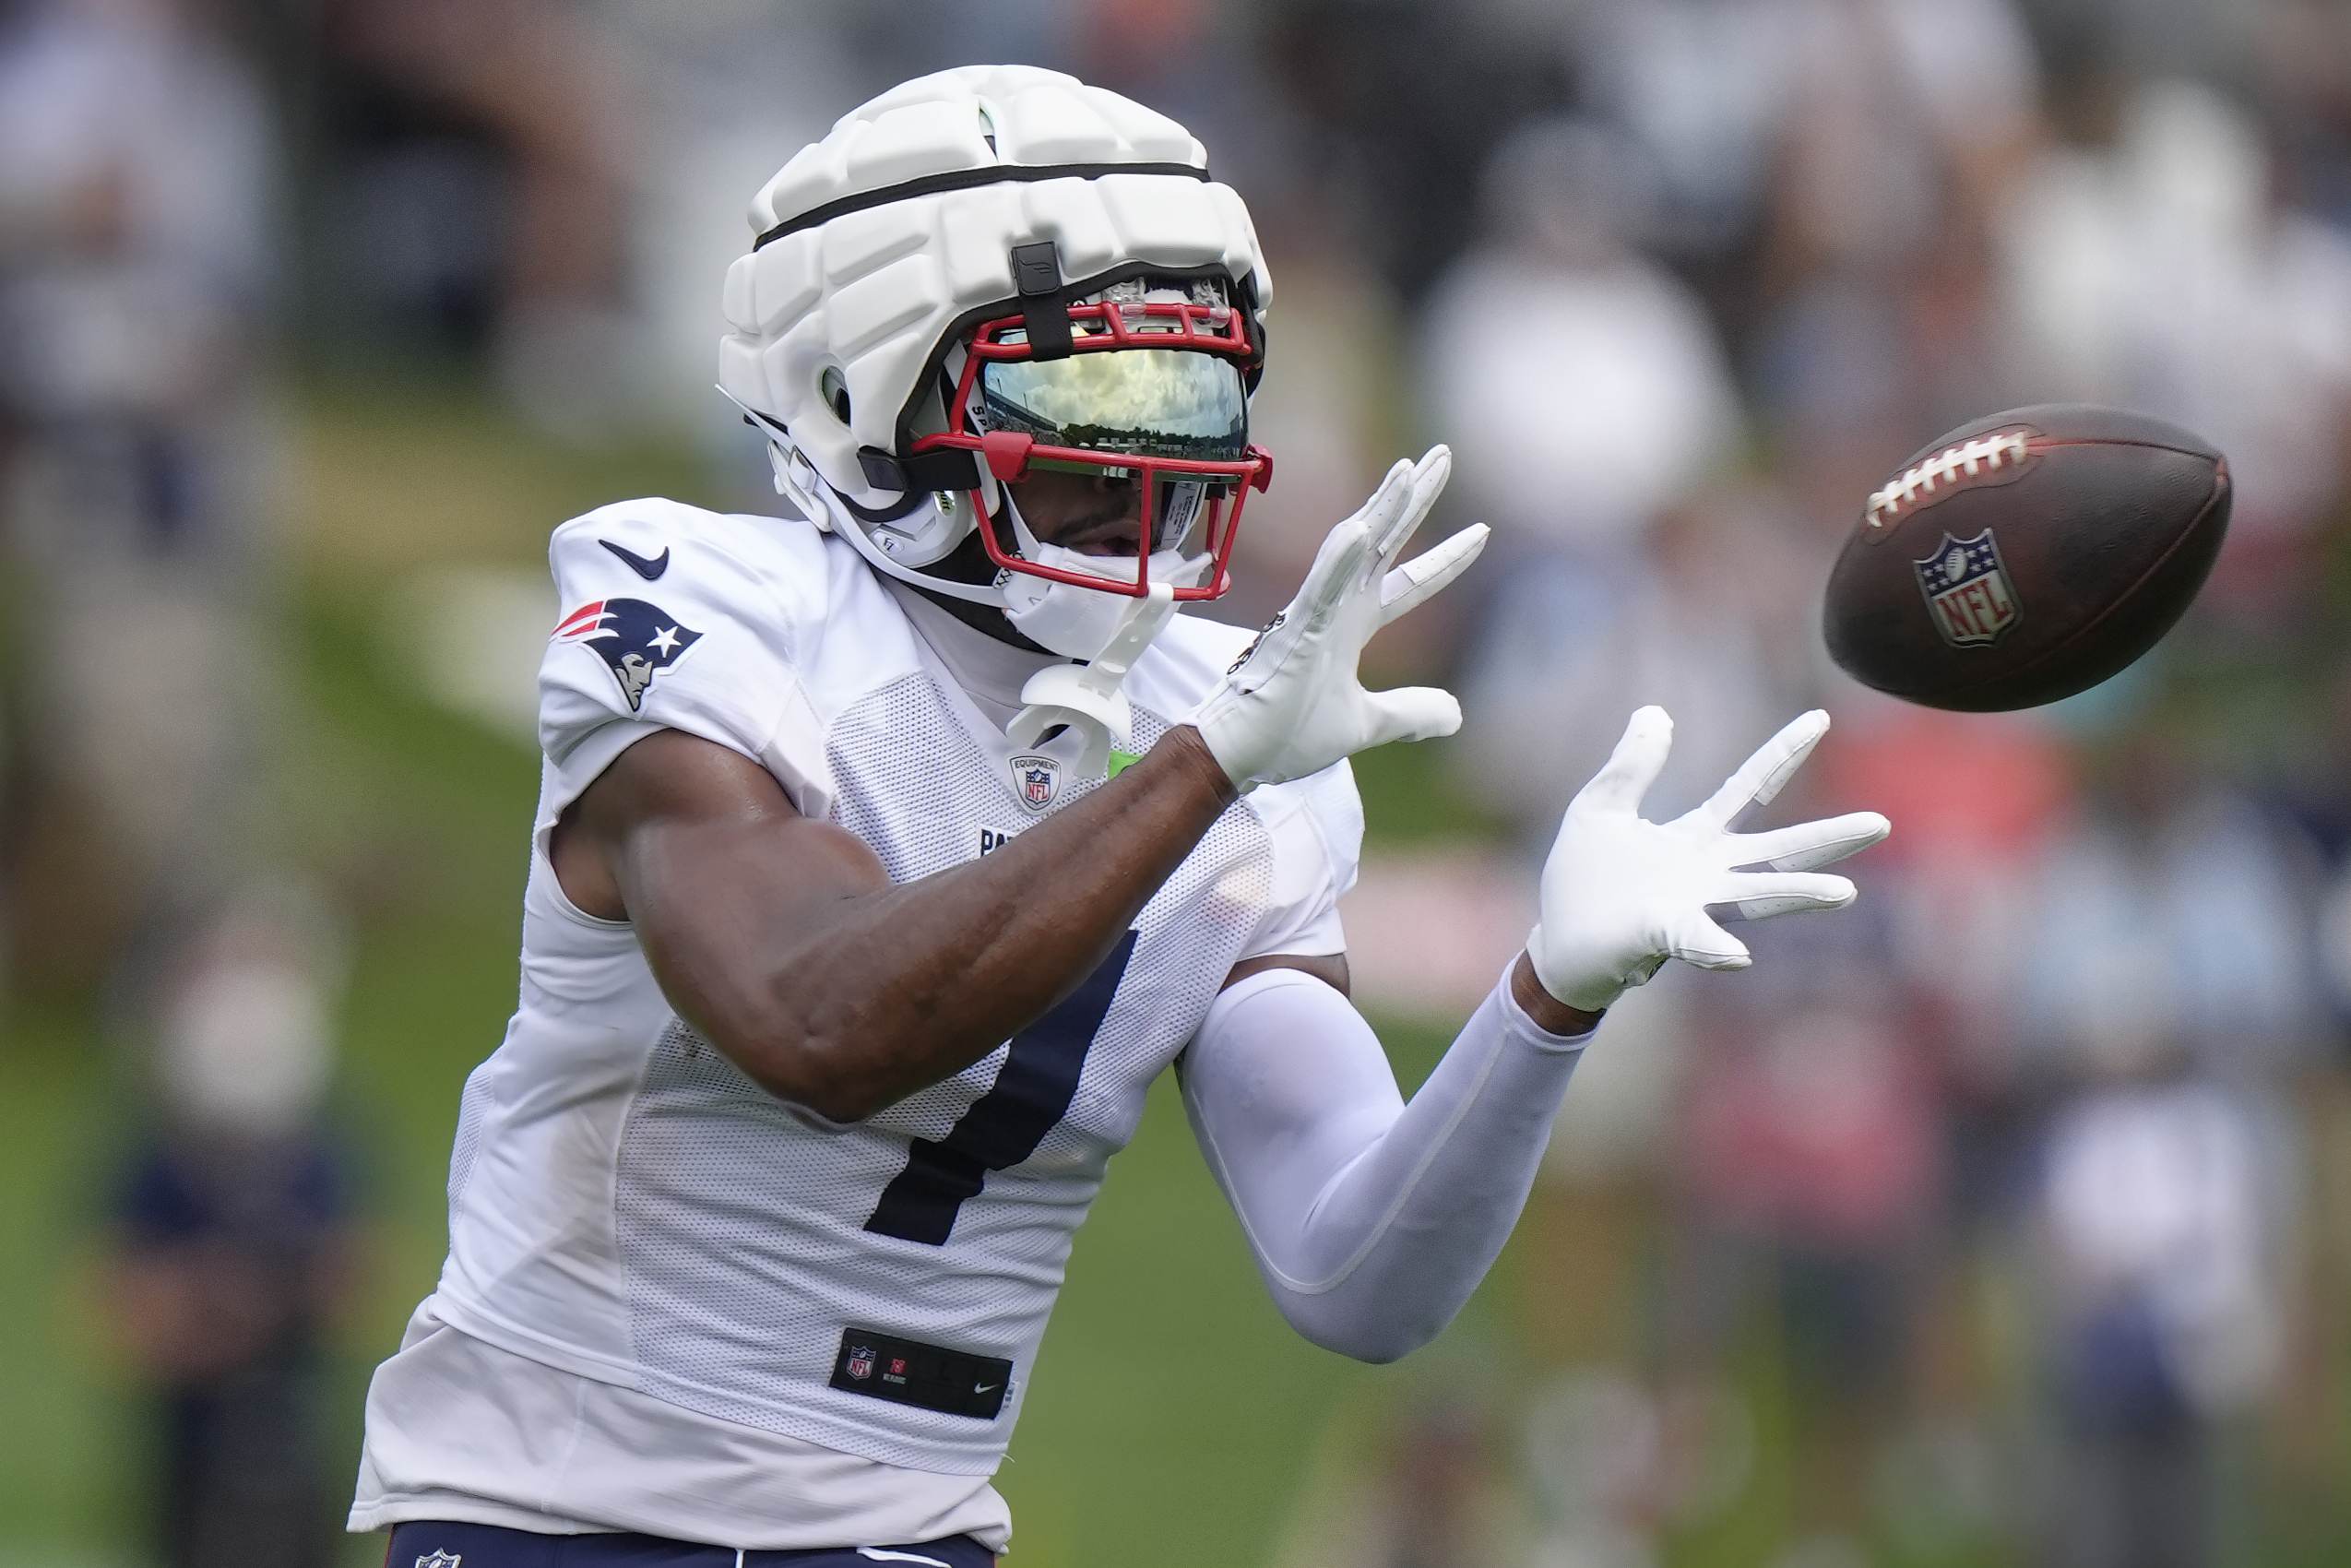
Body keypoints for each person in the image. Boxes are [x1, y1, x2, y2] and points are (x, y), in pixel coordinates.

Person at [349, 65, 1889, 1565]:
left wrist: (1547, 1001)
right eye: (1085, 382)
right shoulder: (719, 613)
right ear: (858, 389)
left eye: (1188, 384)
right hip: (564, 1516)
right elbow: (814, 1020)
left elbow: (1351, 1274)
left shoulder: (1230, 729)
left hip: (915, 1529)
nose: (1146, 449)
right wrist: (1200, 770)